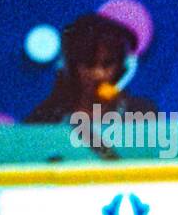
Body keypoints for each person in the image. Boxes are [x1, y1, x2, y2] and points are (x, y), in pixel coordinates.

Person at [26, 13, 159, 160]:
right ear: (71, 67)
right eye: (89, 64)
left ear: (122, 68)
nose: (99, 74)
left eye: (107, 64)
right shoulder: (45, 119)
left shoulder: (143, 113)